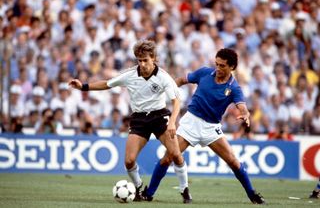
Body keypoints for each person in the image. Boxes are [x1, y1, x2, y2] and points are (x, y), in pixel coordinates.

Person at [68, 40, 189, 202]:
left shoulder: (163, 77)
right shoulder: (130, 75)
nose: (143, 64)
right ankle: (138, 188)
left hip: (160, 117)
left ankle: (184, 190)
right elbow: (107, 84)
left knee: (175, 154)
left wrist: (172, 122)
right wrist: (83, 86)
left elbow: (176, 102)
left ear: (153, 58)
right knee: (129, 160)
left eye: (145, 60)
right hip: (139, 119)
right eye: (140, 60)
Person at [141, 48, 265, 204]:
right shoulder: (205, 73)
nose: (218, 69)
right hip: (191, 122)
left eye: (222, 66)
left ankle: (252, 195)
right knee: (168, 158)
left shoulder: (234, 88)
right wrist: (167, 89)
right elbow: (181, 80)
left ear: (232, 67)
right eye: (217, 64)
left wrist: (246, 114)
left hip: (211, 128)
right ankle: (149, 193)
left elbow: (242, 107)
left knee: (233, 161)